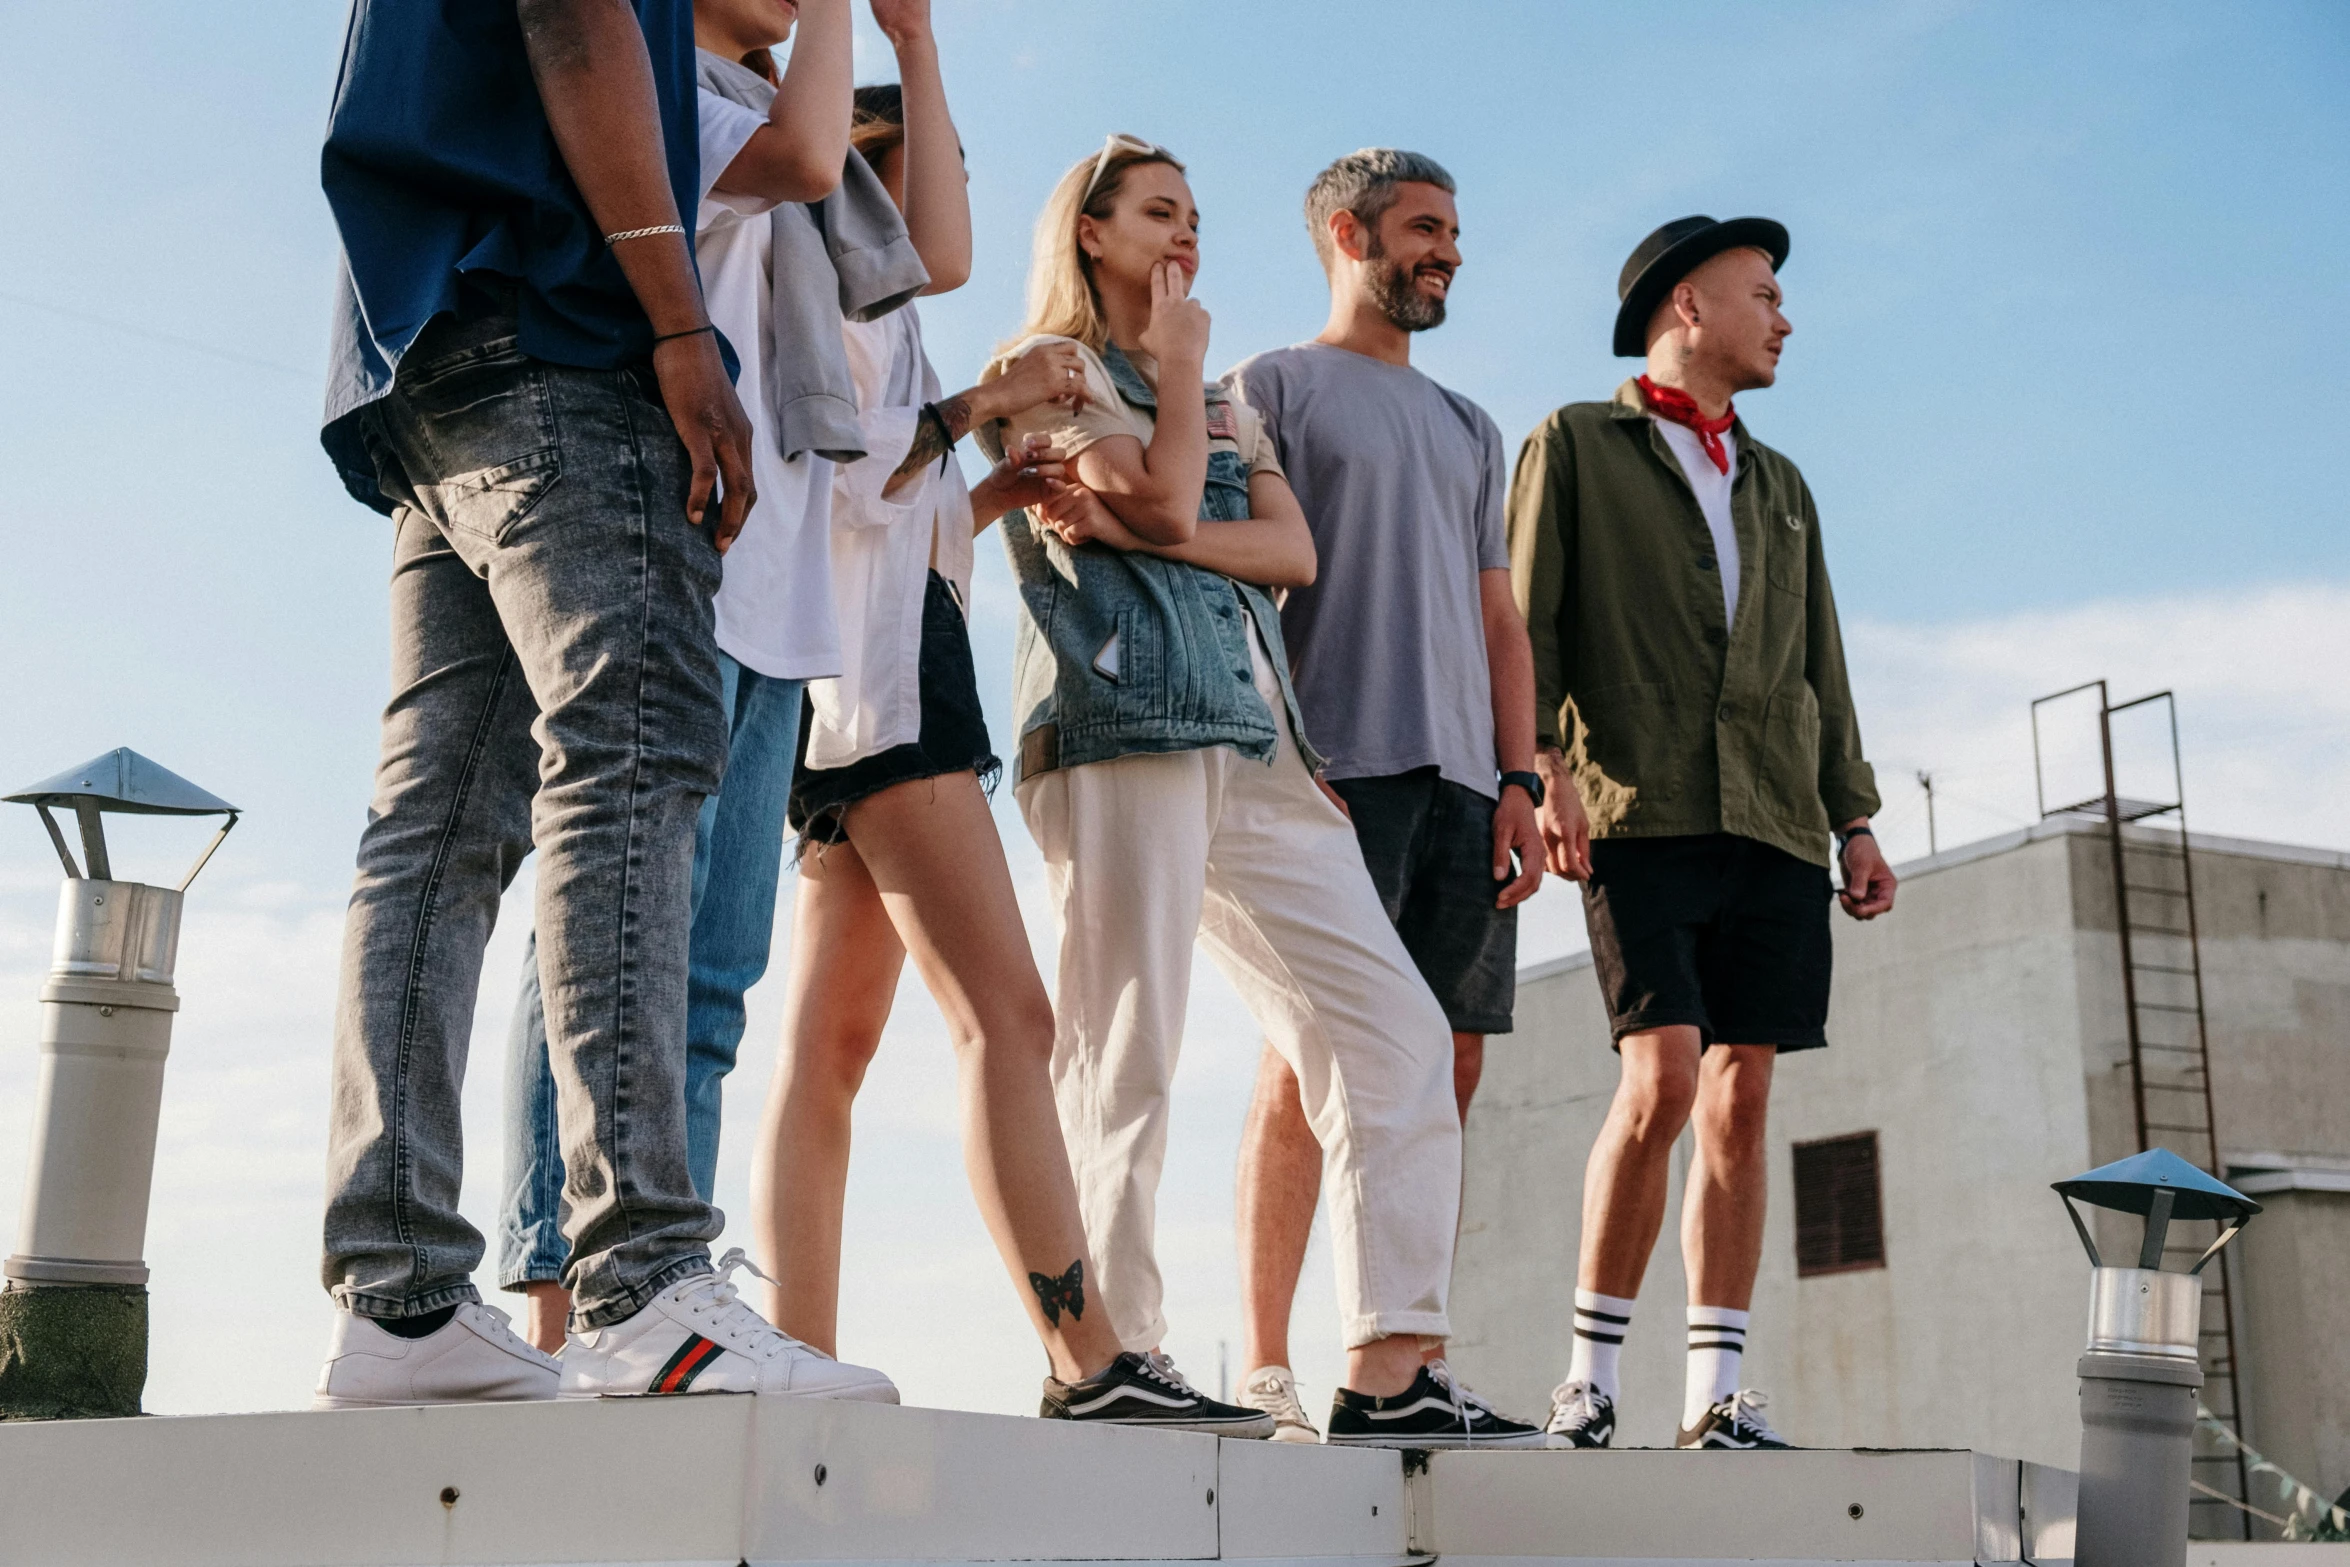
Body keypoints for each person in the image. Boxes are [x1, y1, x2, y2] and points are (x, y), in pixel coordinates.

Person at [314, 0, 884, 1407]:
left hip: (427, 350)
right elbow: (577, 23)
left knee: (434, 825)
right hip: (568, 330)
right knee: (627, 763)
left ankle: (395, 1307)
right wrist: (680, 322)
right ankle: (642, 1284)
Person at [983, 136, 1547, 1447]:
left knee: (1396, 1033)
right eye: (1159, 211)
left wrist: (1134, 514)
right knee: (1124, 1042)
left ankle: (1391, 1364)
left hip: (1259, 736)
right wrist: (1174, 402)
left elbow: (1284, 551)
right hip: (1122, 716)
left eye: (1193, 211)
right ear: (1089, 232)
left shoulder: (1223, 399)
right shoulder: (1054, 372)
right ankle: (1107, 1354)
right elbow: (1175, 490)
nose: (1186, 233)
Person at [743, 27, 1267, 1434]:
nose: (961, 188)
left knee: (833, 1046)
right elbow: (826, 477)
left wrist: (978, 492)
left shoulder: (869, 303)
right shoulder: (843, 286)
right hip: (889, 686)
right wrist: (985, 407)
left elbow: (868, 510)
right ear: (878, 172)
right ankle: (1087, 1355)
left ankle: (797, 1345)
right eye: (943, 163)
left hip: (844, 673)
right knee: (1009, 1016)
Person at [1508, 215, 1898, 1450]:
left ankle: (1715, 1395)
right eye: (1763, 293)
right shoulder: (1575, 441)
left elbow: (1819, 661)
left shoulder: (1783, 486)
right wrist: (1541, 768)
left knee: (1741, 1098)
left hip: (1775, 816)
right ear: (1688, 304)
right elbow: (1528, 620)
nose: (1783, 318)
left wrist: (1854, 817)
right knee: (1662, 1075)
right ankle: (1587, 1379)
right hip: (1642, 805)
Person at [1217, 150, 1544, 1443]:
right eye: (1423, 228)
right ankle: (1262, 1362)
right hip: (1333, 770)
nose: (1447, 250)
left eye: (1454, 230)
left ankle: (1406, 1356)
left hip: (1466, 782)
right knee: (1308, 1061)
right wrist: (1284, 761)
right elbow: (1239, 588)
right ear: (1347, 233)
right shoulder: (1270, 385)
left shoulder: (1471, 426)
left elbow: (1497, 617)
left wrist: (1519, 779)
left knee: (1440, 1064)